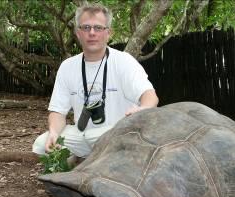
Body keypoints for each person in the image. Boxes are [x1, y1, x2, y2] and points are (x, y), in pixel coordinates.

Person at [32, 3, 158, 158]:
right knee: (40, 144)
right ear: (78, 33)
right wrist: (54, 132)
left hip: (115, 134)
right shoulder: (67, 66)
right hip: (81, 135)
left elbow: (150, 95)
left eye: (98, 28)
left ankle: (87, 163)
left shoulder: (124, 61)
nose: (92, 33)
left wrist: (143, 108)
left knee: (106, 141)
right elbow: (58, 111)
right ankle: (77, 160)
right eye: (86, 28)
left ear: (108, 33)